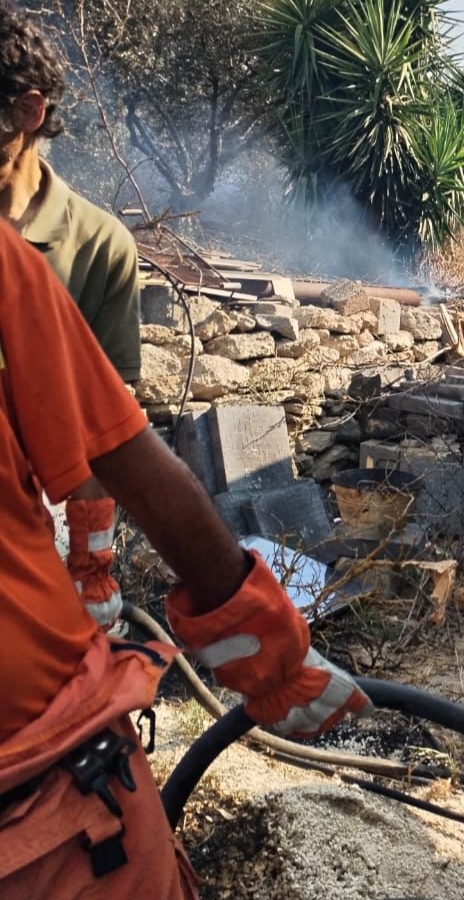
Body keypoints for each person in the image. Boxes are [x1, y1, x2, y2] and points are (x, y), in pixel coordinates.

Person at [0, 218, 373, 897]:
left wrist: (90, 562)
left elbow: (86, 450)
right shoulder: (5, 261)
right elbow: (127, 460)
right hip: (47, 802)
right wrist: (276, 664)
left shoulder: (72, 244)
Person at [0, 0, 144, 636]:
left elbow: (108, 434)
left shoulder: (101, 246)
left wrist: (91, 564)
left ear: (26, 112)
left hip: (42, 531)